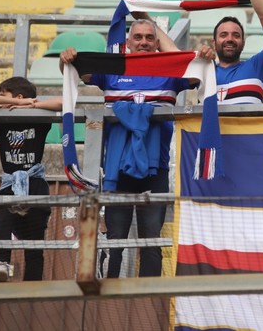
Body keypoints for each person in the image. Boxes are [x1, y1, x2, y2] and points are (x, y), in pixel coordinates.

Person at [59, 19, 215, 278]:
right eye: (138, 37)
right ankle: (108, 307)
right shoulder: (112, 69)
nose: (143, 42)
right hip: (116, 170)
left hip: (157, 169)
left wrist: (205, 56)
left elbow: (196, 71)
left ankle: (149, 303)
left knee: (151, 242)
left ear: (157, 43)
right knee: (116, 240)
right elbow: (74, 71)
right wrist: (65, 59)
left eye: (149, 38)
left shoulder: (170, 71)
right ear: (128, 43)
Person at [0, 77, 63, 282]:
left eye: (2, 95)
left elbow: (62, 102)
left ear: (18, 95)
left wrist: (32, 104)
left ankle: (32, 282)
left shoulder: (38, 117)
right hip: (9, 183)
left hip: (34, 182)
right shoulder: (1, 118)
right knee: (3, 218)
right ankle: (1, 263)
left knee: (34, 241)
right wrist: (18, 103)